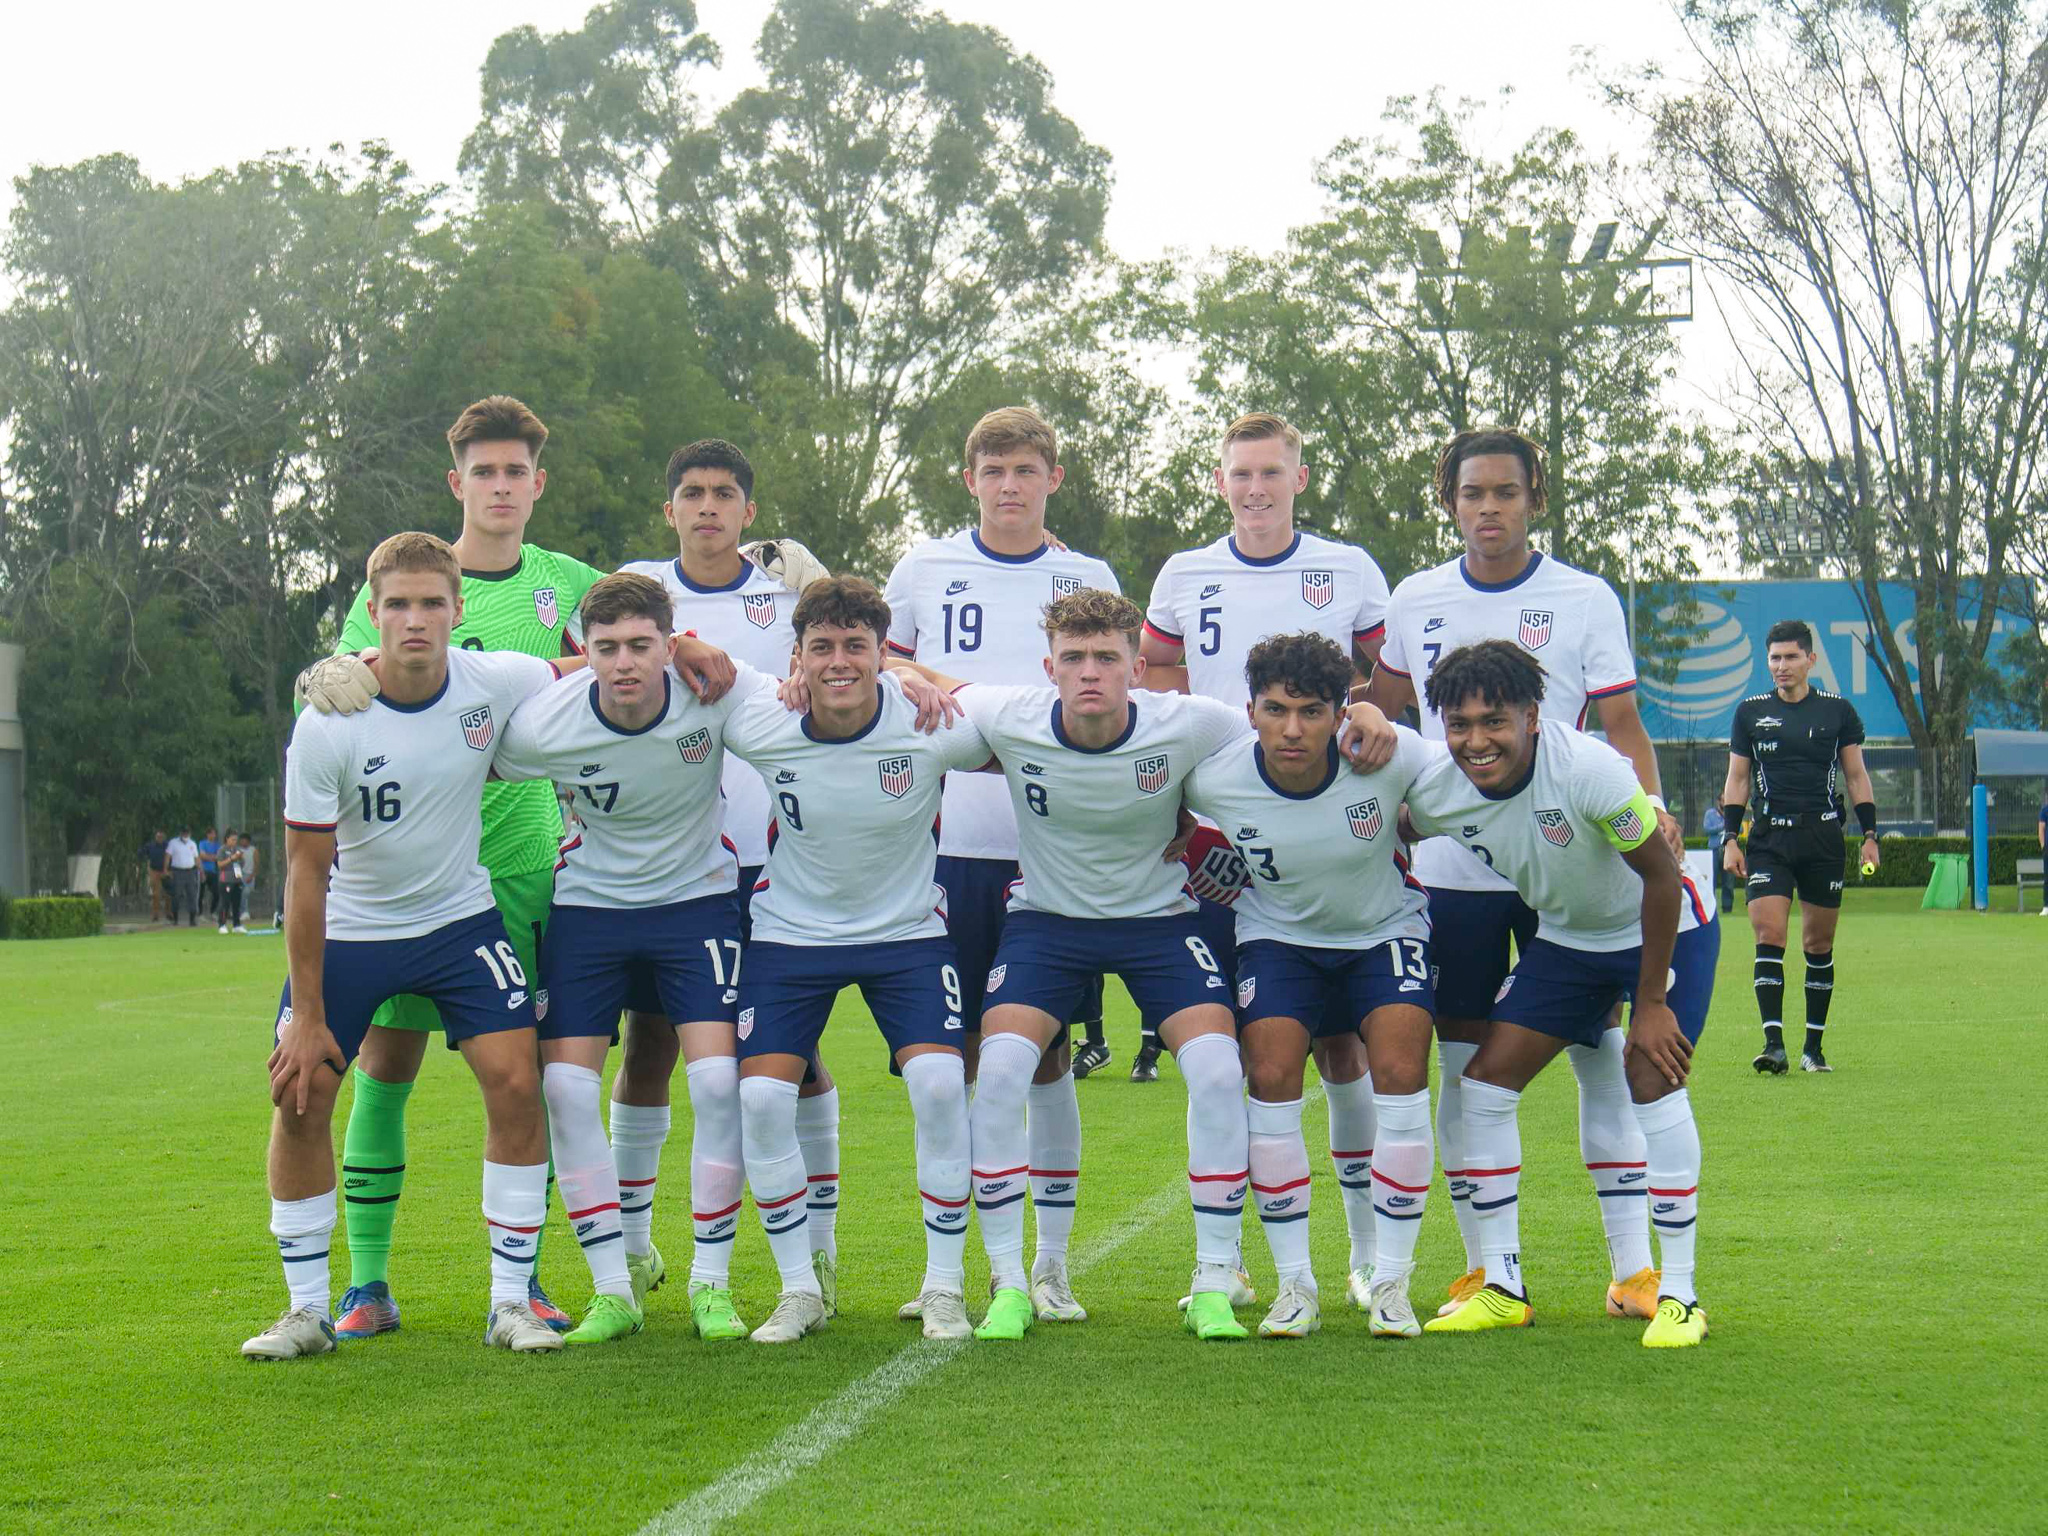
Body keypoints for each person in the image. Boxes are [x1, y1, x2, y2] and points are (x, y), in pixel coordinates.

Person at [289, 396, 725, 1340]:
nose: (499, 486)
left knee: (526, 1073)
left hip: (525, 863)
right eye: (482, 472)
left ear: (537, 483)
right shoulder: (411, 579)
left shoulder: (570, 580)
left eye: (514, 472)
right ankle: (366, 1284)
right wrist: (313, 673)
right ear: (458, 483)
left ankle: (529, 1281)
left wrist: (691, 644)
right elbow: (339, 685)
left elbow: (637, 631)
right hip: (400, 870)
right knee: (384, 1066)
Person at [914, 588, 1396, 1341]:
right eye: (1073, 659)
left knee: (1213, 1072)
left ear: (1137, 666)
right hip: (1048, 922)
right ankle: (1022, 1277)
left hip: (1158, 924)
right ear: (1050, 668)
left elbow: (1294, 722)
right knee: (1003, 1071)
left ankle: (1213, 1278)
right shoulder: (1010, 714)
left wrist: (1368, 711)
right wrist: (907, 675)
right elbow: (930, 683)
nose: (1090, 673)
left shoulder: (1192, 721)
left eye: (1107, 657)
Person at [241, 531, 581, 1359]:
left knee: (514, 1083)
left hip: (460, 925)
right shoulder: (328, 722)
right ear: (373, 612)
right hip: (355, 930)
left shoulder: (491, 680)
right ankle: (307, 1312)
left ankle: (510, 1303)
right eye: (398, 604)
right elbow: (304, 876)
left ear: (458, 610)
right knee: (303, 1092)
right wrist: (310, 1017)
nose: (416, 618)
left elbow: (593, 669)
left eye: (433, 602)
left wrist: (684, 649)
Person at [1367, 426, 1678, 1325]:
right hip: (1456, 872)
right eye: (1473, 494)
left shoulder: (1584, 598)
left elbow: (1619, 723)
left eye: (1506, 492)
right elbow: (1384, 717)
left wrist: (1648, 806)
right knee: (1471, 1071)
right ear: (1451, 502)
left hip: (1572, 870)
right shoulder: (1415, 599)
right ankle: (1488, 1274)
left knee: (1602, 1062)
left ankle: (1633, 1273)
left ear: (1534, 496)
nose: (1489, 509)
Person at [491, 574, 841, 1344]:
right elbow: (461, 745)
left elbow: (819, 696)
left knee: (719, 1082)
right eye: (606, 647)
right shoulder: (543, 722)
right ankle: (615, 1291)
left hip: (697, 906)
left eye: (642, 645)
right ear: (582, 651)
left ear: (668, 641)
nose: (623, 663)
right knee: (566, 1092)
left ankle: (709, 1284)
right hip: (588, 913)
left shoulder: (713, 691)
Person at [1142, 410, 1392, 1308]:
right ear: (1221, 482)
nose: (1255, 488)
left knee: (1341, 1051)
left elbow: (1381, 687)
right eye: (1240, 474)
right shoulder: (1184, 574)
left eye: (1270, 473)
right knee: (1235, 1053)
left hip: (1325, 833)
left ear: (1299, 477)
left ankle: (1367, 1258)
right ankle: (1230, 1259)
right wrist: (1180, 796)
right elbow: (1158, 689)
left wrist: (1366, 716)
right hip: (1216, 835)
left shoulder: (1351, 568)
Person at [880, 406, 1121, 1327]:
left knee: (1045, 1054)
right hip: (945, 843)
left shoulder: (1085, 576)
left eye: (1027, 469)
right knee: (954, 1057)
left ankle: (1050, 1266)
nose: (1010, 485)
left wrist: (963, 692)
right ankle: (951, 1260)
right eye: (994, 470)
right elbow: (886, 666)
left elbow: (1104, 691)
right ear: (970, 478)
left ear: (1053, 478)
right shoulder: (924, 566)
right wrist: (923, 681)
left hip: (1048, 848)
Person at [1407, 641, 1718, 1348]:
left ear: (1532, 716)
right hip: (1570, 941)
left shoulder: (1591, 771)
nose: (1477, 741)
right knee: (1484, 1083)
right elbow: (1390, 830)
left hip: (1665, 930)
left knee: (1650, 1073)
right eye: (1459, 725)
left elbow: (1662, 878)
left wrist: (1652, 1004)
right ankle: (1504, 1287)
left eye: (1494, 722)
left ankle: (1680, 1295)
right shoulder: (1437, 787)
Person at [719, 577, 988, 1343]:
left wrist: (922, 677)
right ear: (797, 658)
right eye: (823, 648)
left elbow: (1037, 725)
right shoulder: (764, 720)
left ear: (881, 652)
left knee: (940, 1084)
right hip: (789, 935)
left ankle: (943, 1285)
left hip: (907, 934)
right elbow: (672, 678)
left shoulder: (931, 722)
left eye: (857, 647)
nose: (840, 662)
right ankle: (801, 1288)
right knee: (764, 1101)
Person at [611, 439, 846, 1316]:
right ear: (667, 508)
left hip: (778, 855)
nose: (707, 507)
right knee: (651, 1047)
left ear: (750, 511)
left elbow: (847, 655)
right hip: (674, 864)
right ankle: (635, 1249)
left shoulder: (789, 590)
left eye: (725, 495)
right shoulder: (637, 586)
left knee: (793, 1056)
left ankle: (817, 1255)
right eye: (691, 493)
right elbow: (597, 674)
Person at [1182, 633, 1435, 1339]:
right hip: (1278, 939)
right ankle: (1295, 1284)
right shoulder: (1214, 778)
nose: (1293, 729)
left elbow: (1477, 790)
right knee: (1268, 1077)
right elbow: (1152, 796)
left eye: (1313, 712)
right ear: (1251, 710)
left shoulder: (1390, 757)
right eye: (1276, 710)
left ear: (1340, 713)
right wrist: (1173, 825)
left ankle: (1390, 1283)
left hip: (1385, 932)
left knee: (1401, 1073)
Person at [1720, 619, 1880, 1074]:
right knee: (1769, 935)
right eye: (1775, 658)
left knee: (1817, 942)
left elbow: (1855, 776)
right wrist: (1731, 838)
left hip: (1823, 837)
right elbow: (1737, 779)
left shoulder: (1837, 711)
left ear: (1810, 660)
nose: (1782, 666)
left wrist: (1870, 835)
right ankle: (1774, 1045)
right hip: (1769, 839)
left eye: (1791, 657)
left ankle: (1814, 1049)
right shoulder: (1749, 712)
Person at [165, 827, 201, 926]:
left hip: (190, 872)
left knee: (192, 895)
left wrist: (201, 871)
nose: (186, 835)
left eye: (187, 833)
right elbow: (168, 856)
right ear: (180, 833)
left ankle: (192, 920)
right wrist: (165, 869)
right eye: (184, 833)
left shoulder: (192, 843)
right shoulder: (173, 842)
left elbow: (197, 858)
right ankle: (175, 919)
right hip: (177, 872)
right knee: (176, 895)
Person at [1702, 803, 1732, 913]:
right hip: (1714, 849)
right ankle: (1711, 907)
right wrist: (1722, 826)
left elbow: (1741, 829)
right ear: (1719, 801)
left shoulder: (1731, 812)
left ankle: (1727, 907)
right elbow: (1707, 828)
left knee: (1728, 881)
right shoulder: (1710, 814)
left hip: (1727, 850)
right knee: (1712, 879)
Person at [216, 831, 243, 934]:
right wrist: (231, 858)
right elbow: (220, 864)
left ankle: (237, 925)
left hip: (237, 879)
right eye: (233, 839)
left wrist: (241, 858)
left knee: (236, 903)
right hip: (225, 880)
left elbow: (242, 864)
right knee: (225, 903)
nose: (235, 842)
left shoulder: (237, 850)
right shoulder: (222, 850)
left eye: (236, 840)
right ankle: (222, 924)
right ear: (227, 839)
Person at [140, 830, 168, 922]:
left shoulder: (168, 846)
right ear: (155, 837)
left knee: (169, 894)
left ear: (163, 837)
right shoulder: (150, 846)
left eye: (161, 837)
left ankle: (169, 913)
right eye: (158, 837)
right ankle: (155, 914)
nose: (159, 838)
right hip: (154, 871)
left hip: (166, 871)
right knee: (156, 894)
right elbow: (141, 852)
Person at [199, 828, 222, 918]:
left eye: (214, 834)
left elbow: (219, 857)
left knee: (217, 893)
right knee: (200, 893)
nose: (212, 835)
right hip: (203, 870)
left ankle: (213, 912)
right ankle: (200, 913)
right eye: (211, 834)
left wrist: (208, 856)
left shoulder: (217, 845)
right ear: (207, 835)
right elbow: (202, 856)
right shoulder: (202, 843)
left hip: (213, 871)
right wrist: (212, 857)